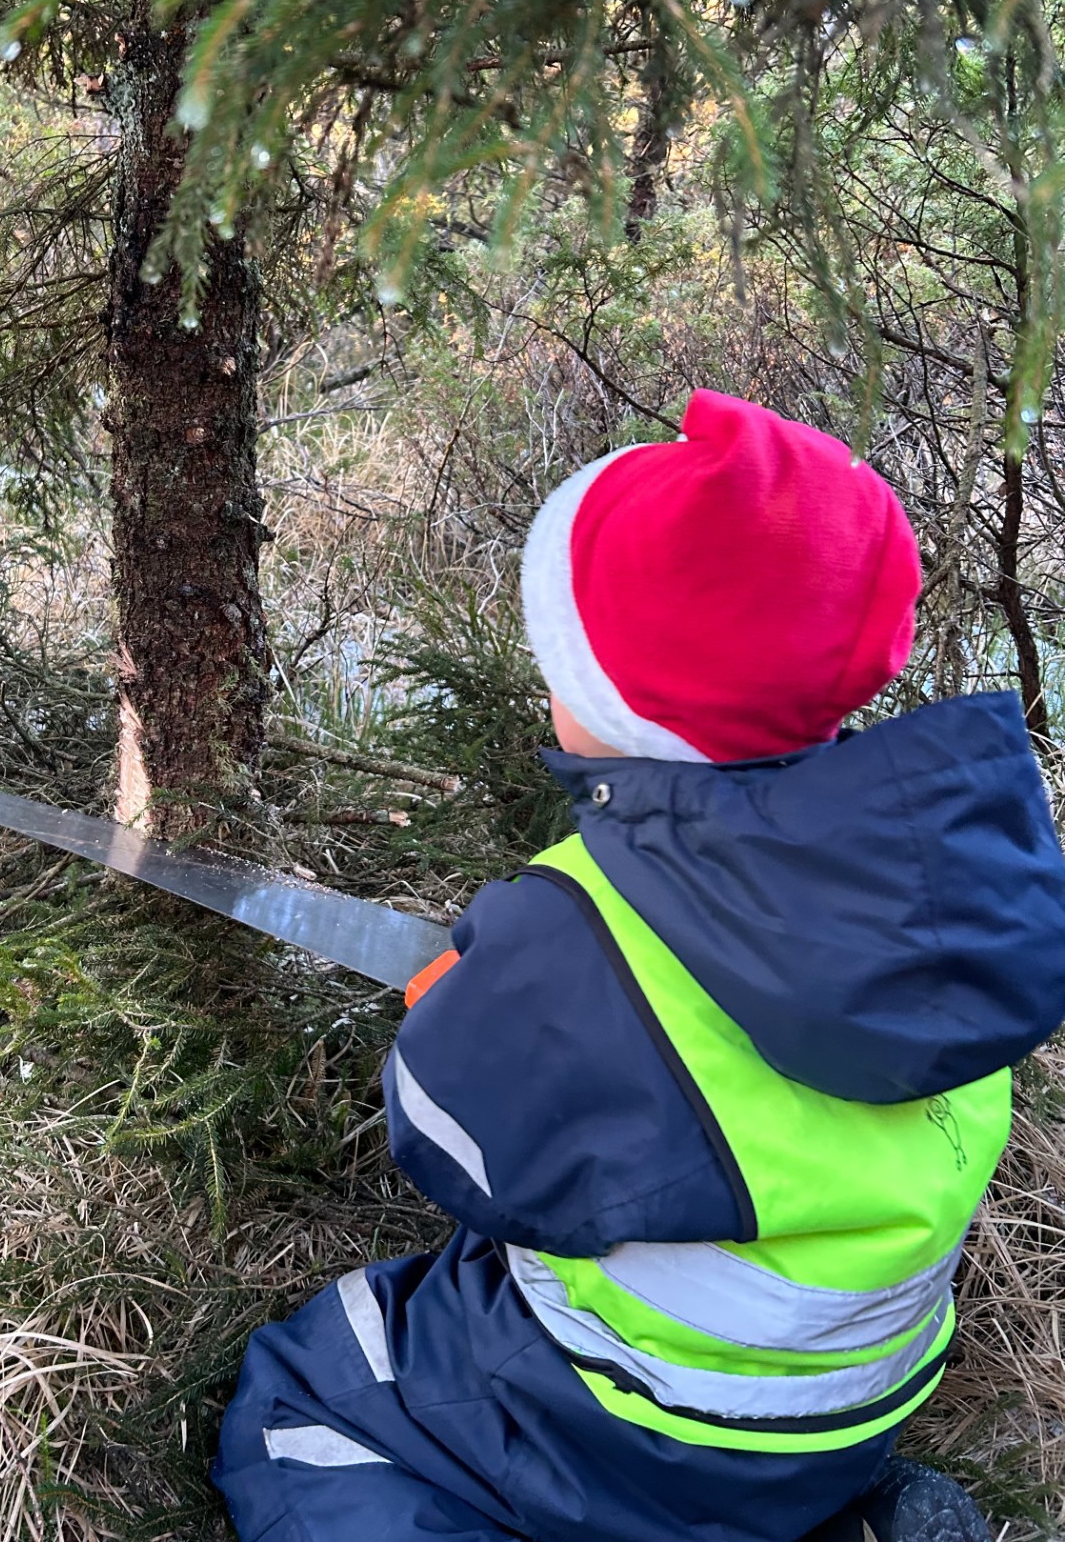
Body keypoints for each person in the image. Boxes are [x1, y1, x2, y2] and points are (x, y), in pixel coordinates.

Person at [213, 389, 1065, 1542]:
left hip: (642, 1423)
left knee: (312, 1391)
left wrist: (460, 1015)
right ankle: (842, 1520)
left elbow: (454, 1153)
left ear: (623, 706)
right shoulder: (941, 863)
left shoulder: (585, 924)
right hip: (855, 1398)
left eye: (563, 666)